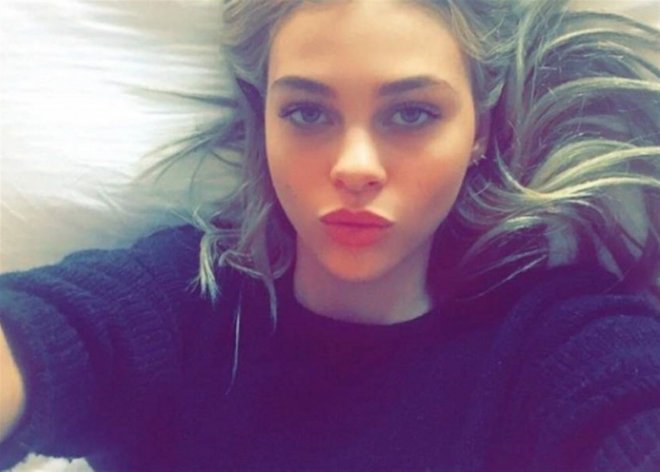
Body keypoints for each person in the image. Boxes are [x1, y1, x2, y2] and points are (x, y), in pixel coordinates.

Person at [1, 0, 659, 470]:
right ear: (262, 121)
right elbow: (47, 331)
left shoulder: (554, 341)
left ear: (480, 132)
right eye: (307, 112)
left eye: (412, 113)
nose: (354, 166)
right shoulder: (182, 305)